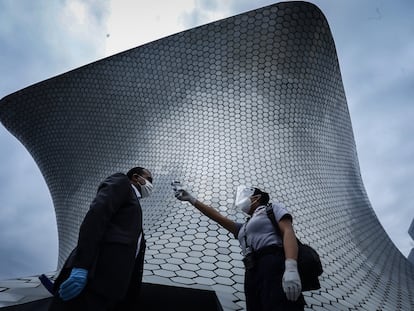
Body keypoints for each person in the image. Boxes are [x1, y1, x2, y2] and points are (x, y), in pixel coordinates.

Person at [175, 185, 306, 311]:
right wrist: (191, 199)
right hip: (252, 271)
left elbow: (288, 231)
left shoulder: (271, 209)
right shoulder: (244, 227)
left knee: (279, 304)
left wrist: (291, 267)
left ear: (256, 198)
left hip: (273, 263)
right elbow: (218, 217)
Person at [48, 167, 153, 311]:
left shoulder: (134, 208)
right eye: (149, 179)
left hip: (110, 290)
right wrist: (81, 266)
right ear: (136, 177)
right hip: (94, 276)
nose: (150, 185)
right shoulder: (122, 182)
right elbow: (97, 214)